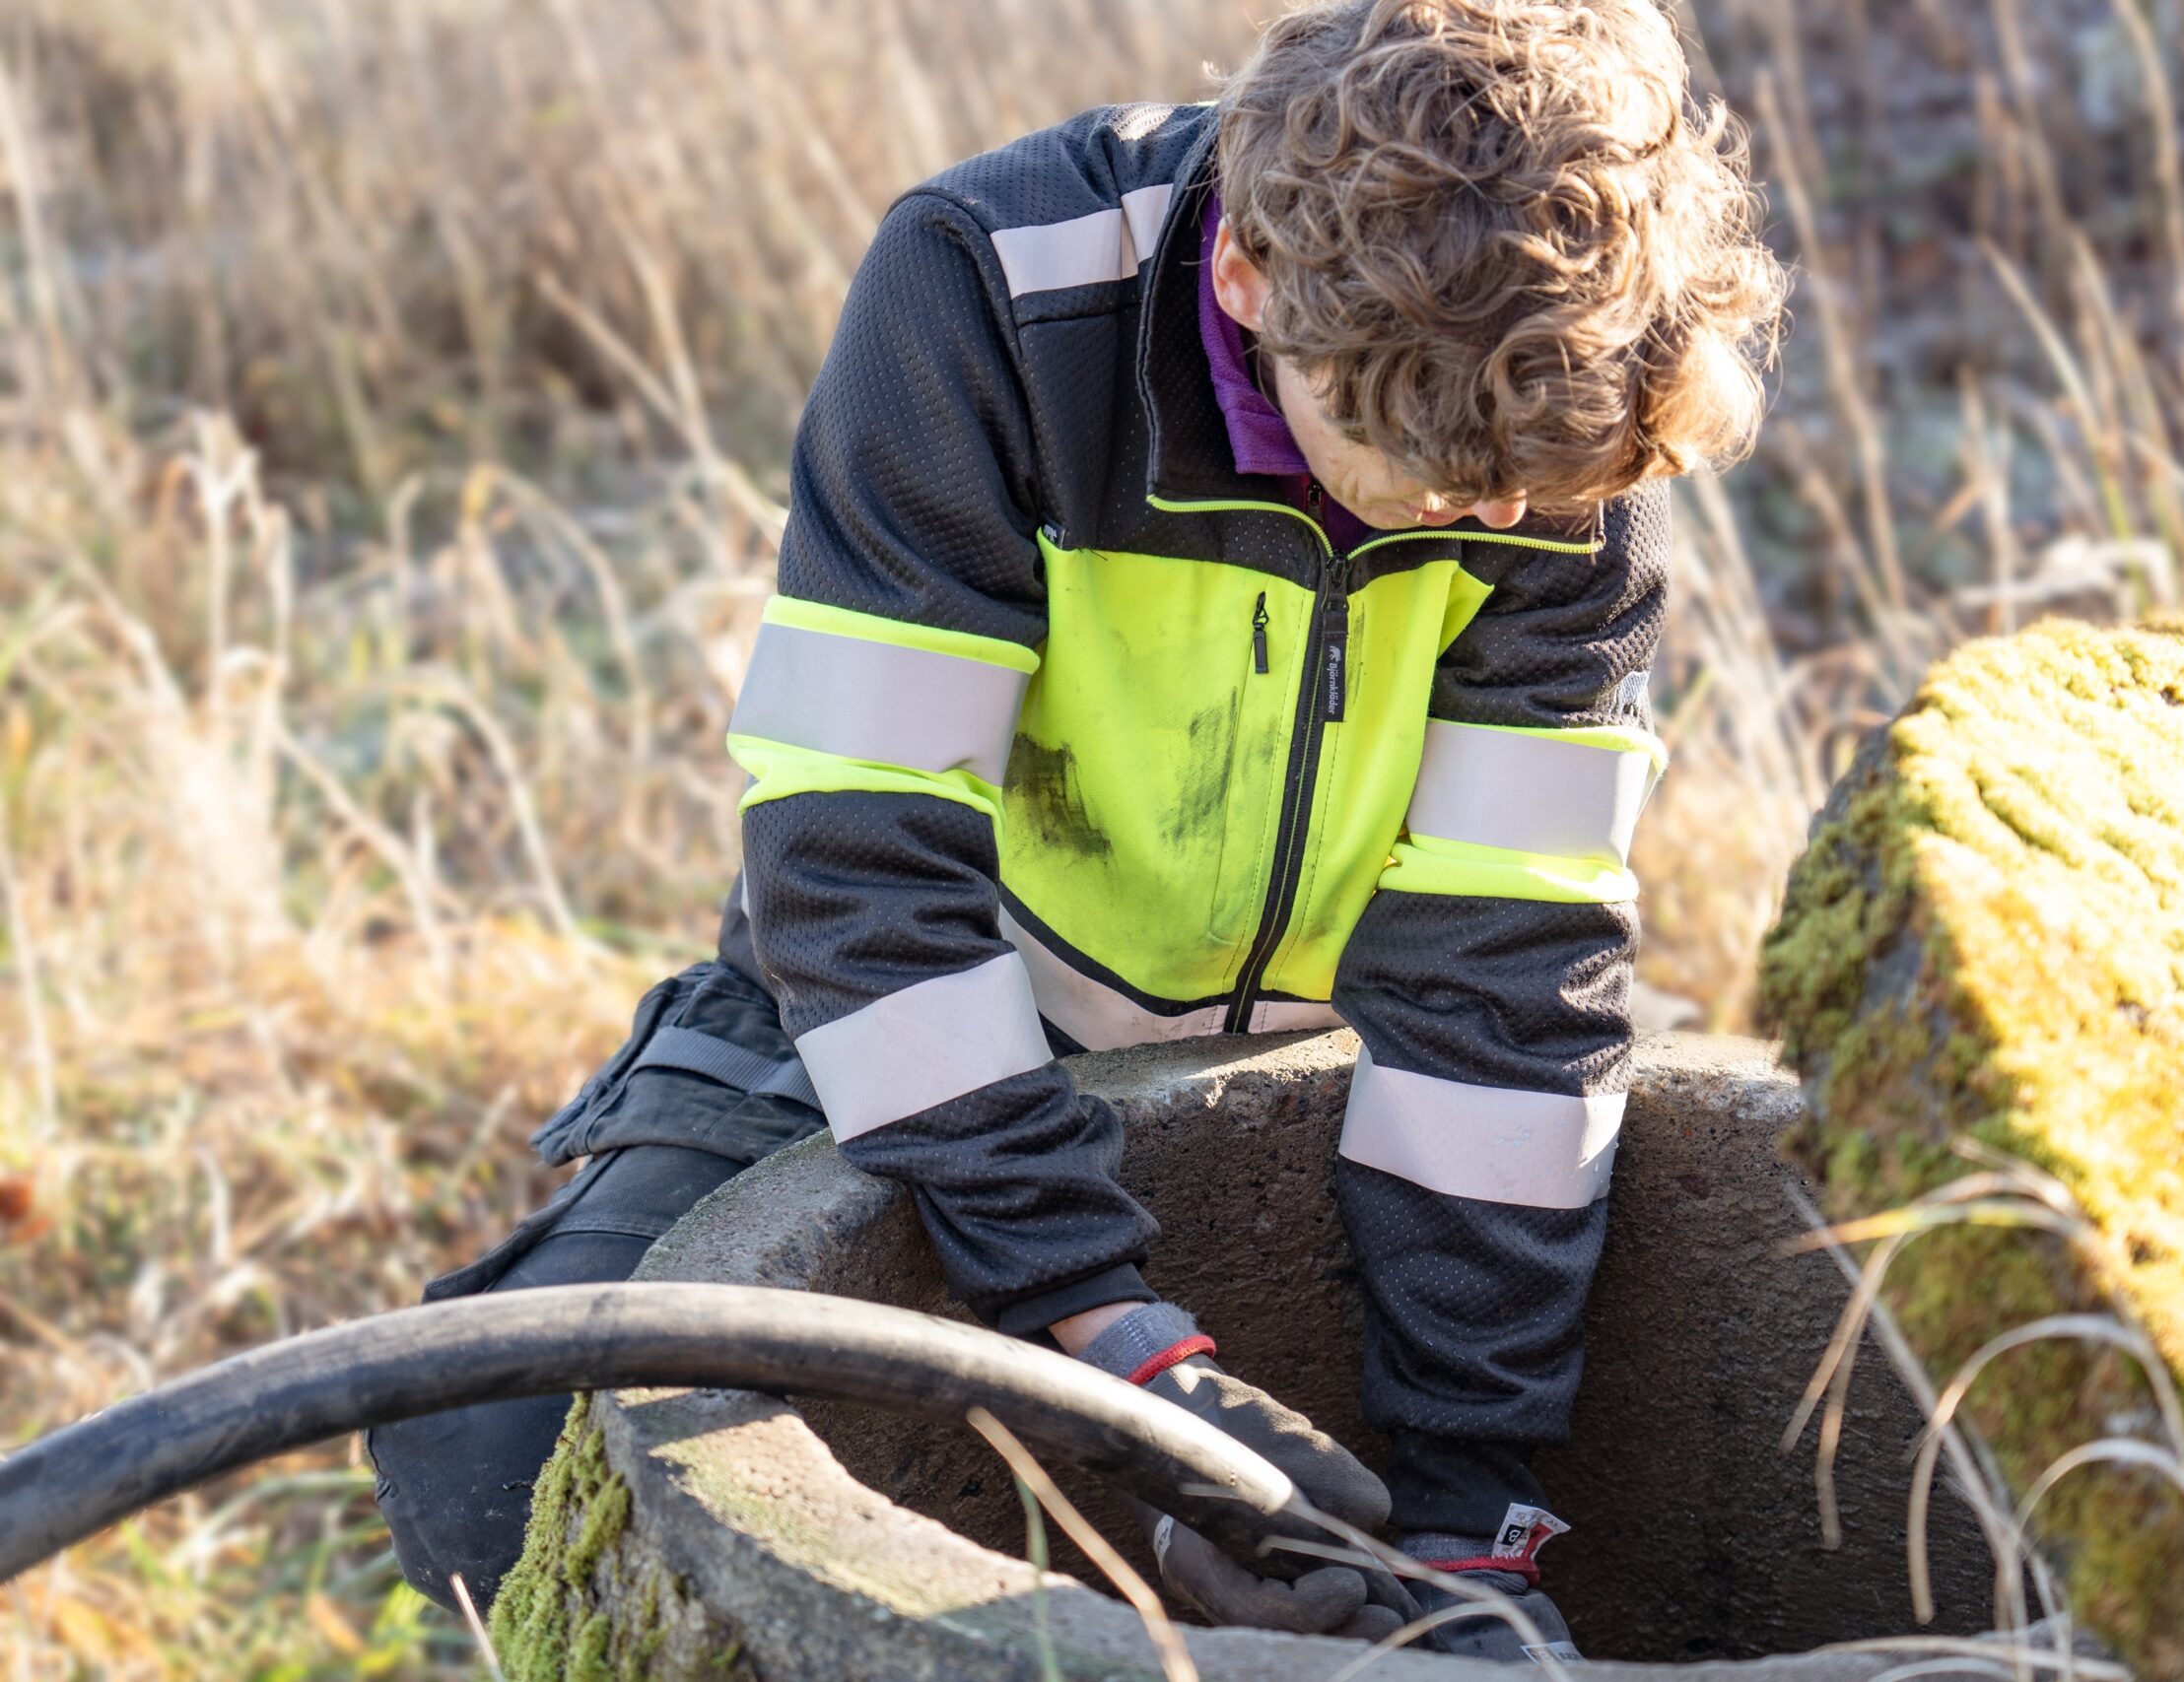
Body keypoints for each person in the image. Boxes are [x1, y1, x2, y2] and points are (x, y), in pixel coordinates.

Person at [369, 0, 1785, 1660]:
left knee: (1612, 1309)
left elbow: (1509, 963)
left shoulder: (1550, 429)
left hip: (1322, 1032)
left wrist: (1469, 1524)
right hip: (921, 998)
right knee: (500, 1462)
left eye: (1528, 497)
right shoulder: (991, 290)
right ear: (1249, 284)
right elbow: (860, 861)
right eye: (1421, 479)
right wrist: (1113, 1341)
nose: (1490, 524)